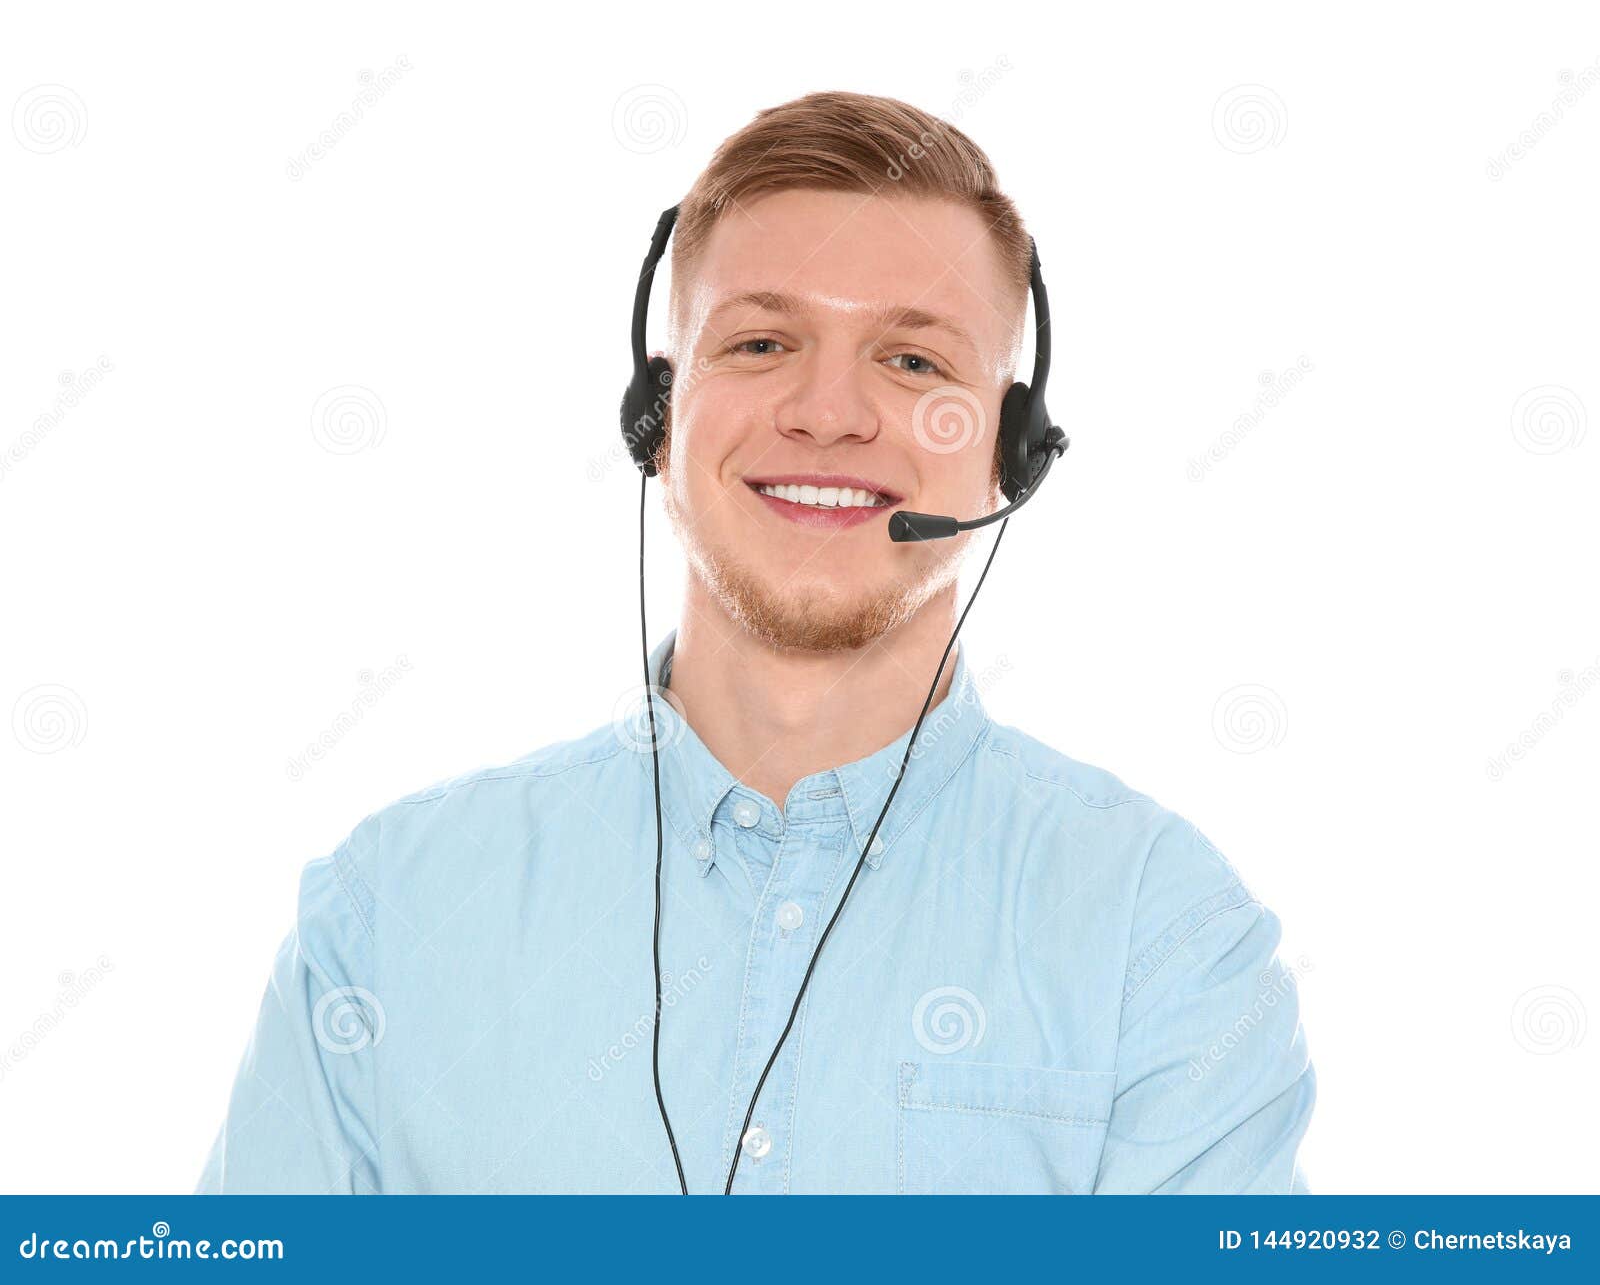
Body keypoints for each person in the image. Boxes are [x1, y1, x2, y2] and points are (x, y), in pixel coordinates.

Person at [198, 90, 1314, 1194]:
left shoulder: (1161, 935)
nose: (828, 411)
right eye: (762, 340)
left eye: (913, 361)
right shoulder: (392, 912)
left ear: (1011, 449)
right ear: (656, 412)